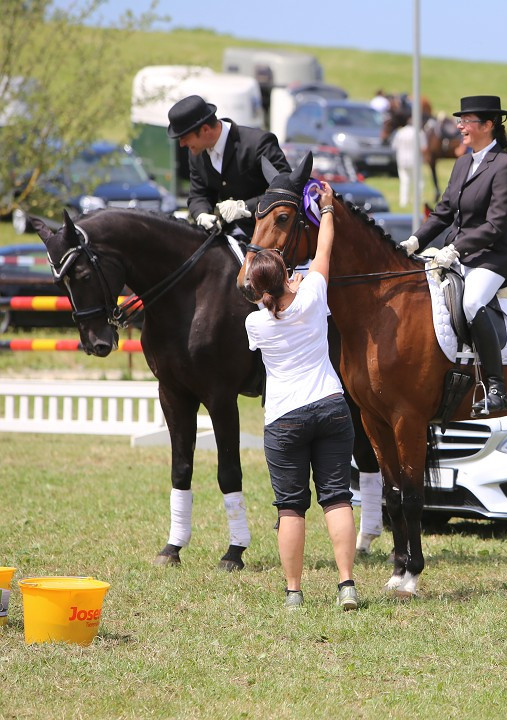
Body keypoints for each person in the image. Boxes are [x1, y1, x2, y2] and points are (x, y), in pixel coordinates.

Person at [244, 180, 358, 611]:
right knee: (336, 497)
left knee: (290, 509)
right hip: (330, 405)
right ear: (289, 276)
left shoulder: (256, 326)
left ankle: (294, 591)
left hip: (284, 419)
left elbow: (264, 303)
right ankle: (346, 583)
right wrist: (326, 209)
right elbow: (323, 251)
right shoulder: (312, 295)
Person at [400, 95, 507, 417]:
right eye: (460, 120)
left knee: (471, 303)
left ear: (488, 125)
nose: (459, 127)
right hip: (457, 254)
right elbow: (442, 214)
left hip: (491, 258)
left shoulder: (505, 167)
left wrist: (455, 248)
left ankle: (497, 387)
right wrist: (412, 242)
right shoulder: (462, 163)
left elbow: (496, 224)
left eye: (467, 121)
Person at [167, 94, 290, 239]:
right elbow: (198, 194)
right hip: (230, 234)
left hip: (274, 234)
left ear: (205, 129)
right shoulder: (196, 154)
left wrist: (244, 207)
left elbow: (287, 188)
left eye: (184, 137)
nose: (182, 144)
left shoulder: (258, 143)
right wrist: (202, 214)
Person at [391, 118, 427, 208]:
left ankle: (404, 201)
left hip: (402, 159)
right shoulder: (419, 132)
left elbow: (394, 146)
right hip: (415, 160)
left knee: (404, 181)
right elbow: (424, 148)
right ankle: (417, 200)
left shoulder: (401, 132)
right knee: (418, 181)